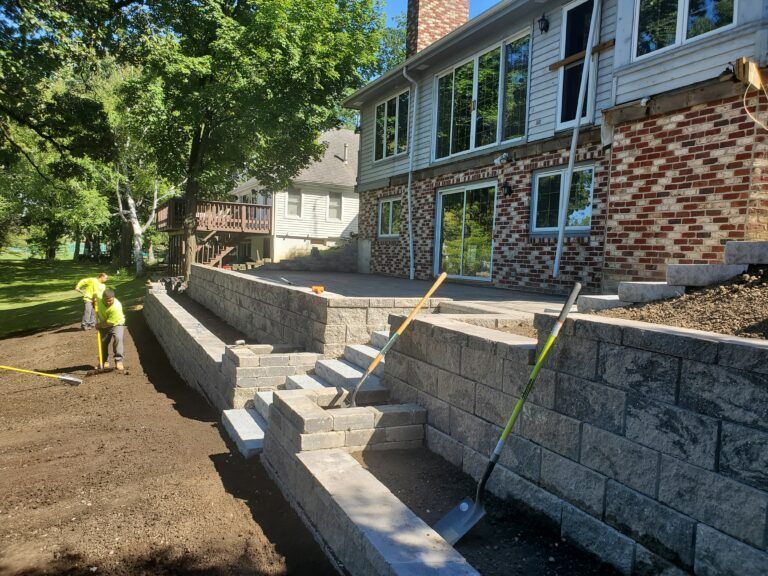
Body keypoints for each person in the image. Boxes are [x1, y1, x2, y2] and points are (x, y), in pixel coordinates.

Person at [96, 289, 126, 370]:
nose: (109, 303)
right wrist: (93, 300)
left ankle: (118, 360)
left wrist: (99, 325)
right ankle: (104, 361)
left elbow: (110, 323)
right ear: (103, 298)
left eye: (111, 301)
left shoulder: (116, 306)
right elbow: (95, 294)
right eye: (107, 301)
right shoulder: (99, 300)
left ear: (114, 298)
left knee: (118, 338)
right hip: (104, 323)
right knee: (103, 342)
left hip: (116, 323)